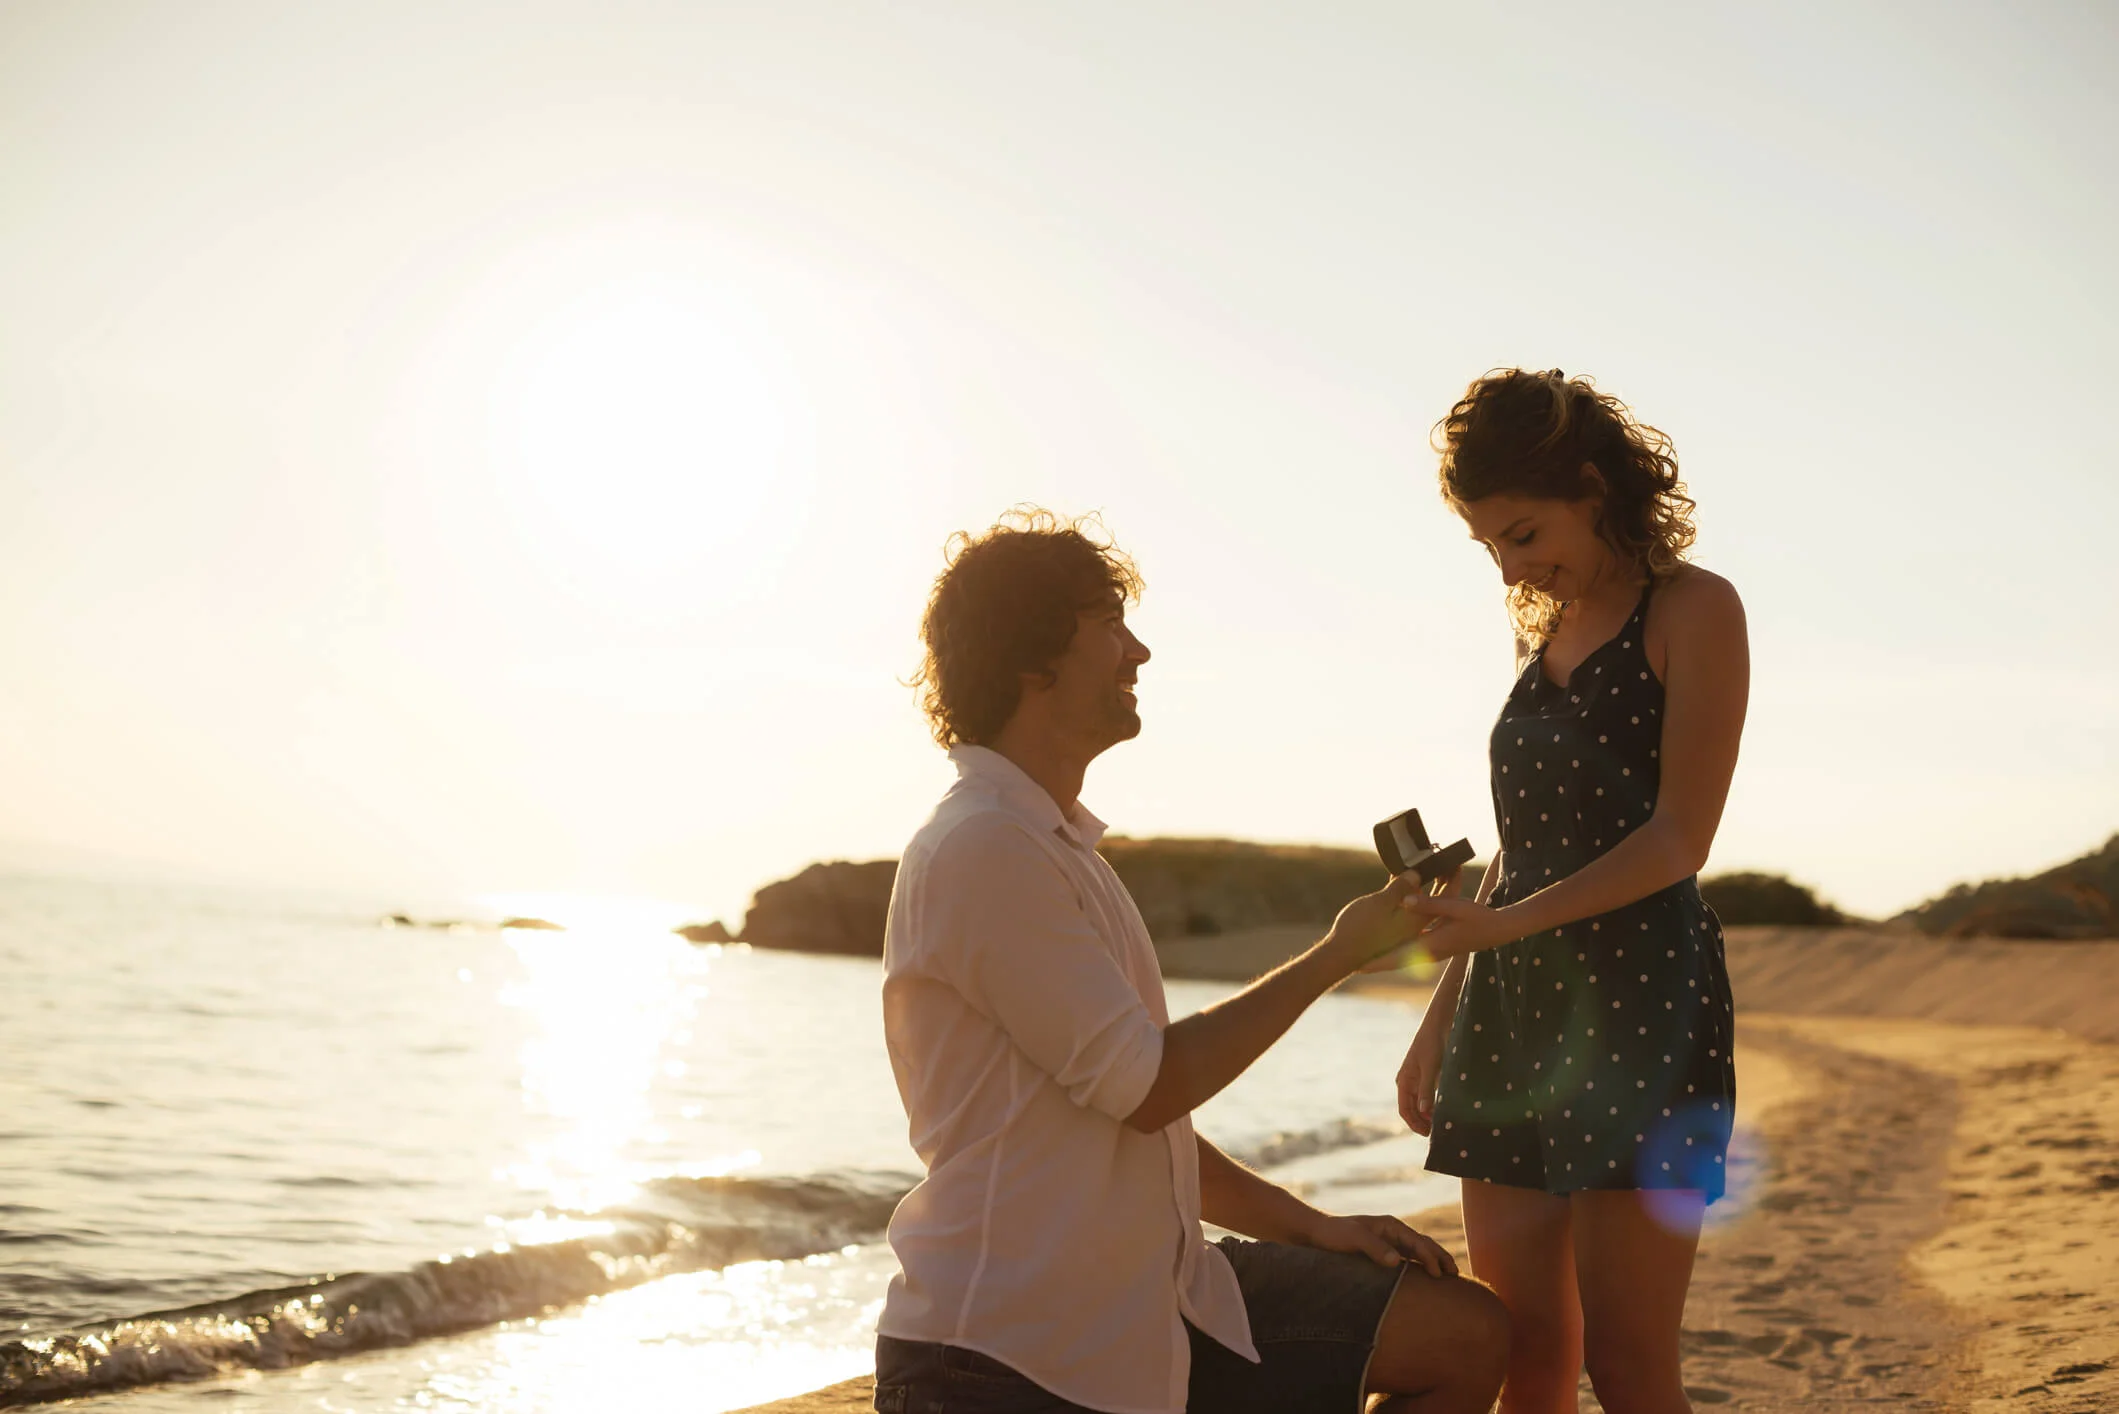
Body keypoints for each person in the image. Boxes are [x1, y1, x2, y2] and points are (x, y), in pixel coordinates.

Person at [874, 509, 1510, 1414]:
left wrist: (1315, 1228)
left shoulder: (1056, 847)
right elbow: (1148, 1089)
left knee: (1463, 1333)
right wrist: (1335, 955)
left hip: (1153, 1297)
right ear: (1030, 655)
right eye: (1108, 624)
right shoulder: (983, 848)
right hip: (1006, 1352)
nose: (1137, 654)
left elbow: (1143, 1133)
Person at [1396, 370, 1749, 1414]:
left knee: (1630, 1365)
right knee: (1527, 1353)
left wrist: (1505, 924)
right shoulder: (1543, 629)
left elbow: (1680, 837)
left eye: (1522, 531)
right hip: (1508, 1016)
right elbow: (1521, 846)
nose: (1511, 563)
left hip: (1643, 1004)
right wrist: (1438, 1012)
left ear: (1592, 487)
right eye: (1490, 546)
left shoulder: (1695, 608)